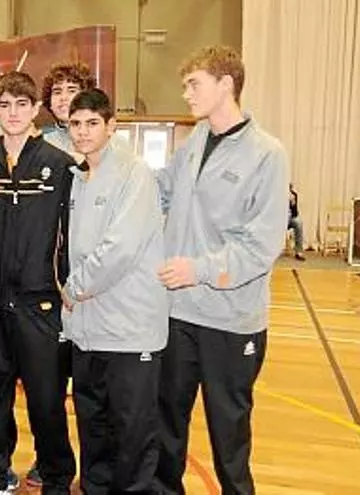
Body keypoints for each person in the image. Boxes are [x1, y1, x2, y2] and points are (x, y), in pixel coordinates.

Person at [155, 45, 289, 495]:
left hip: (231, 321)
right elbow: (162, 191)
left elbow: (262, 245)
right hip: (178, 313)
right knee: (166, 423)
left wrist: (198, 269)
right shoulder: (195, 141)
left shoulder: (267, 154)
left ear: (226, 85)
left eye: (194, 84)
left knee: (229, 435)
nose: (186, 94)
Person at [62, 88, 167, 493]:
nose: (83, 131)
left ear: (111, 126)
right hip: (88, 332)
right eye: (75, 124)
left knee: (132, 433)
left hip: (129, 331)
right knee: (94, 428)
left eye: (92, 123)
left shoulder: (134, 173)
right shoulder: (78, 177)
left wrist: (74, 288)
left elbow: (120, 248)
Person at [0, 72, 75, 495]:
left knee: (46, 399)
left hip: (42, 303)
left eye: (22, 104)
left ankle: (56, 477)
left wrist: (67, 287)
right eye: (5, 105)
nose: (14, 113)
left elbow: (72, 233)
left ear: (36, 108)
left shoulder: (61, 164)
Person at [41, 62, 98, 158]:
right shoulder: (42, 141)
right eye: (57, 92)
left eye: (72, 91)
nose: (63, 97)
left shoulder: (103, 138)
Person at [288, 183, 305, 260]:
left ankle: (299, 252)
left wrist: (293, 203)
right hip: (279, 219)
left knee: (298, 223)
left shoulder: (294, 195)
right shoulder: (276, 195)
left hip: (290, 218)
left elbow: (295, 214)